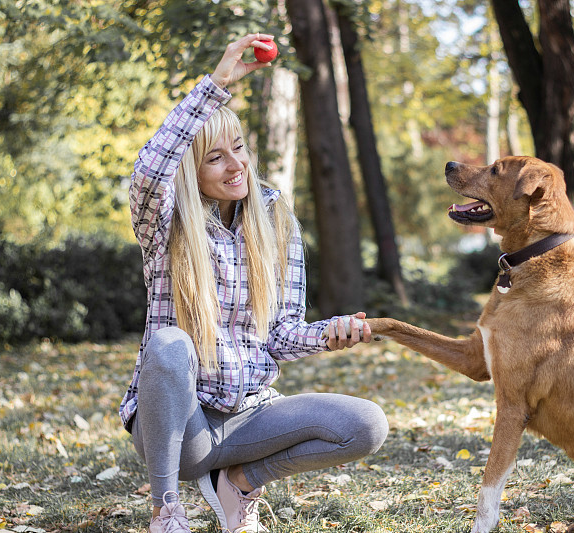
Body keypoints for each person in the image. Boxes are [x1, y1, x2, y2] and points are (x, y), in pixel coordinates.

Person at [118, 33, 389, 533]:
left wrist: (329, 332)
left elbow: (282, 332)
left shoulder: (274, 218)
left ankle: (239, 483)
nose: (236, 164)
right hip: (182, 433)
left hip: (252, 415)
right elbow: (149, 167)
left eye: (238, 148)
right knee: (170, 344)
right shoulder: (165, 223)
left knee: (366, 424)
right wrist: (218, 83)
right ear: (191, 171)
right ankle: (166, 511)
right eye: (215, 157)